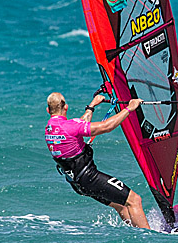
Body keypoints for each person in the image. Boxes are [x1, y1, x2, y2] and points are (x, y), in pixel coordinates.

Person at [44, 91, 150, 229]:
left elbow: (79, 124)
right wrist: (129, 108)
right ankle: (151, 239)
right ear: (66, 107)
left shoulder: (50, 128)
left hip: (77, 183)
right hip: (90, 178)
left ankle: (137, 233)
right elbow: (106, 127)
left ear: (48, 110)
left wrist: (92, 106)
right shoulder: (71, 126)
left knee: (121, 206)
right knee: (134, 200)